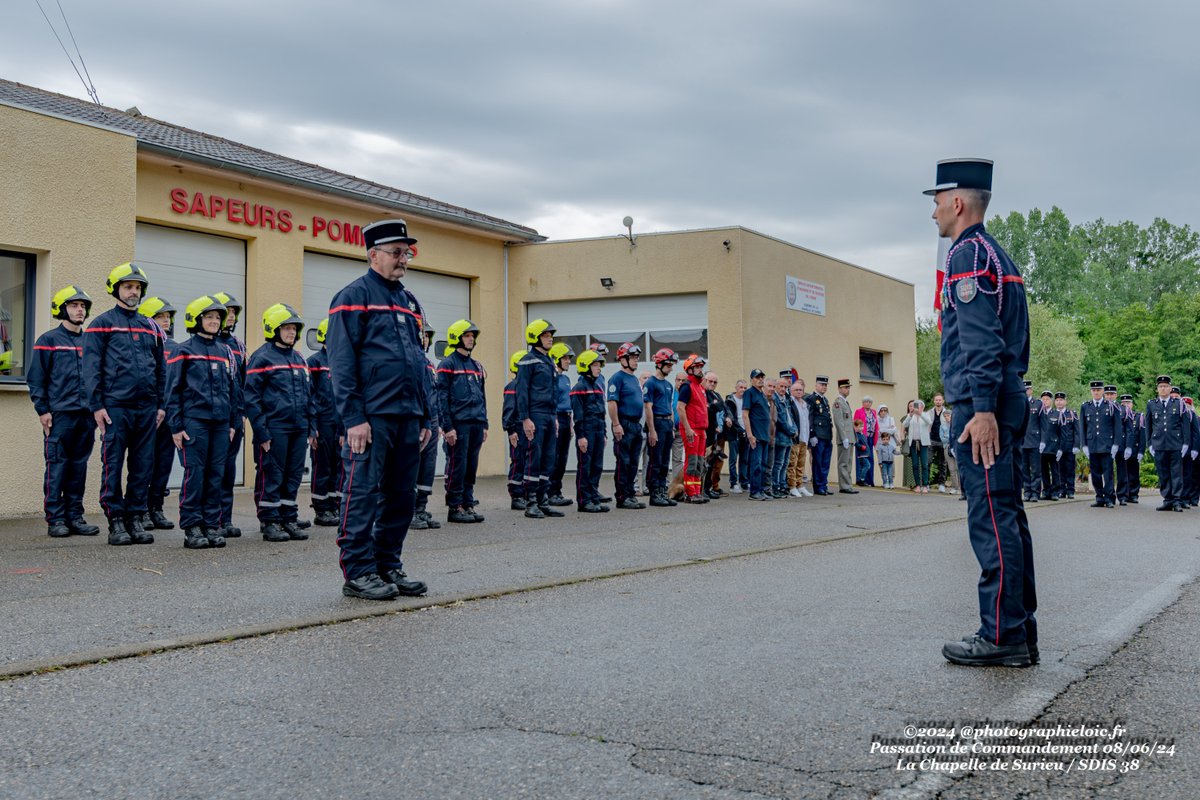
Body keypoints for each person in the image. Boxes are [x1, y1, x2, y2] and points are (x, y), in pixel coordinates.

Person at [928, 157, 1037, 668]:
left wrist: (983, 409)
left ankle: (1001, 634)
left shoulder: (967, 254)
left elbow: (978, 338)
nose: (932, 213)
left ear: (957, 202)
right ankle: (1018, 627)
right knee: (1008, 517)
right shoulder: (999, 254)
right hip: (1004, 395)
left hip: (982, 405)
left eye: (936, 202)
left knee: (991, 519)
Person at [327, 219, 432, 600]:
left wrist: (425, 415)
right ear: (373, 255)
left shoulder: (408, 301)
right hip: (371, 418)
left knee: (401, 496)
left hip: (407, 416)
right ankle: (358, 572)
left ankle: (388, 564)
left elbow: (418, 361)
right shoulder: (351, 296)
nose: (403, 259)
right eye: (396, 253)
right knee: (363, 493)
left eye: (407, 253)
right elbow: (341, 363)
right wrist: (353, 418)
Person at [84, 262, 165, 545]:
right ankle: (116, 521)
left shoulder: (150, 326)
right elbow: (91, 368)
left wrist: (161, 404)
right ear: (116, 289)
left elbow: (160, 368)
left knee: (143, 466)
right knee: (113, 464)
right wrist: (97, 405)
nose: (134, 292)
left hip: (146, 408)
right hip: (115, 407)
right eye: (128, 286)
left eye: (137, 287)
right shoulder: (101, 324)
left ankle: (135, 518)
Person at [165, 296, 240, 549]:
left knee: (216, 474)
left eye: (217, 318)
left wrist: (231, 423)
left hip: (220, 425)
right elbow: (172, 391)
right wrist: (176, 426)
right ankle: (192, 527)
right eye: (209, 317)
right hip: (194, 423)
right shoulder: (183, 350)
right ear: (197, 319)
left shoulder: (224, 351)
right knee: (195, 475)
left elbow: (232, 389)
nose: (214, 321)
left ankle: (211, 524)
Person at [28, 286, 100, 538]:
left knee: (78, 468)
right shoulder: (48, 340)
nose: (80, 309)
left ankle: (75, 516)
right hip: (59, 416)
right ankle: (56, 519)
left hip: (86, 416)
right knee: (57, 466)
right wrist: (43, 410)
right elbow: (36, 379)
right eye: (73, 305)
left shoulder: (90, 340)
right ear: (62, 309)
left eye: (82, 305)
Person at [244, 304, 315, 542]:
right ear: (274, 329)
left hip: (298, 428)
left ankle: (287, 518)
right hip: (274, 429)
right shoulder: (261, 357)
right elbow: (251, 398)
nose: (292, 333)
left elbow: (309, 396)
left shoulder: (299, 358)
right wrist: (262, 432)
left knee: (293, 475)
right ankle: (270, 521)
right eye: (286, 328)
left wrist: (311, 427)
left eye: (294, 328)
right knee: (271, 474)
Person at [438, 319, 489, 523]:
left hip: (476, 423)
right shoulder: (447, 365)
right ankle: (455, 506)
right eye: (467, 335)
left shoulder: (477, 366)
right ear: (457, 337)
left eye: (472, 336)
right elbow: (441, 398)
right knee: (457, 465)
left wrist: (485, 424)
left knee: (471, 465)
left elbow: (482, 396)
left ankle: (468, 503)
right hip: (458, 425)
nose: (471, 339)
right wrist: (447, 426)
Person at [518, 319, 566, 518]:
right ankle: (530, 502)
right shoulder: (528, 361)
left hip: (548, 415)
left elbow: (553, 392)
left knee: (549, 458)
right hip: (535, 415)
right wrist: (525, 419)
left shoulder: (549, 362)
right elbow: (521, 392)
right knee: (533, 457)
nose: (550, 338)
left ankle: (543, 500)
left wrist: (554, 416)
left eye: (550, 335)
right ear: (535, 337)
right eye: (546, 335)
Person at [139, 296, 178, 531]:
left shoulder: (176, 348)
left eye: (167, 317)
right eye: (160, 317)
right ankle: (140, 509)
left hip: (169, 414)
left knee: (164, 463)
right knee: (144, 462)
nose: (166, 321)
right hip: (148, 413)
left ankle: (156, 508)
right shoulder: (144, 345)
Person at [212, 291, 248, 539]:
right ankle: (211, 518)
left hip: (234, 416)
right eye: (228, 312)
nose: (231, 317)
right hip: (215, 417)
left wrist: (241, 414)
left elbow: (243, 383)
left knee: (228, 470)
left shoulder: (238, 345)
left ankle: (226, 518)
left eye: (234, 312)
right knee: (213, 469)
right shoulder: (210, 344)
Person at [306, 318, 343, 527]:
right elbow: (309, 396)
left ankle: (335, 505)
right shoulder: (314, 363)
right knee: (322, 467)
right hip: (322, 424)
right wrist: (313, 427)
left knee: (339, 467)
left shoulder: (343, 363)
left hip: (340, 425)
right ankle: (321, 509)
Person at [607, 341, 646, 510]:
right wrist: (616, 424)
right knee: (624, 461)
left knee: (633, 462)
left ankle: (630, 494)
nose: (636, 360)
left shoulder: (634, 380)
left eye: (637, 357)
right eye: (632, 357)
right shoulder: (617, 378)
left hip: (636, 425)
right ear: (623, 360)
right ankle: (622, 497)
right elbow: (612, 403)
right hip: (624, 423)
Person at [571, 349, 609, 512]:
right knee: (585, 467)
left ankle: (594, 497)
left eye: (599, 365)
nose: (598, 368)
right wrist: (581, 436)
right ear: (586, 366)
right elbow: (578, 415)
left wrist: (605, 433)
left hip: (599, 430)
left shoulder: (599, 386)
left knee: (597, 466)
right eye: (595, 365)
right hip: (587, 431)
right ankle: (584, 500)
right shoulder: (579, 388)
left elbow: (602, 411)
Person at [1146, 375, 1189, 512]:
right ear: (1157, 389)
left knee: (1176, 473)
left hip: (1175, 444)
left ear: (1170, 388)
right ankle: (1167, 500)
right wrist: (1149, 444)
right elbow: (1148, 425)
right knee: (1163, 473)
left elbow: (1185, 425)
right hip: (1159, 444)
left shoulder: (1179, 403)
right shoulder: (1151, 404)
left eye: (1165, 386)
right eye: (1160, 386)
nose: (1163, 388)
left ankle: (1176, 500)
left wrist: (1186, 443)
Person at [543, 342, 576, 509]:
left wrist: (570, 424)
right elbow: (550, 400)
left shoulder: (566, 378)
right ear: (556, 359)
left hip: (566, 418)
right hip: (555, 419)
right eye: (565, 358)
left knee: (562, 458)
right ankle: (549, 493)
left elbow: (568, 402)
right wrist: (554, 419)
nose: (568, 361)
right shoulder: (551, 377)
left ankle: (557, 491)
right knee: (553, 458)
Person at [644, 348, 678, 507]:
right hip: (656, 422)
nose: (671, 369)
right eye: (669, 365)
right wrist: (651, 430)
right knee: (655, 460)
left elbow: (670, 406)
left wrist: (671, 425)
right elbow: (648, 407)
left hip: (667, 424)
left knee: (665, 461)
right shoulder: (650, 383)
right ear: (660, 364)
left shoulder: (669, 385)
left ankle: (663, 491)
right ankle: (654, 493)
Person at [674, 354, 710, 504]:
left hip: (700, 430)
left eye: (701, 367)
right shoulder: (687, 387)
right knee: (692, 461)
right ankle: (690, 493)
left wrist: (704, 430)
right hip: (691, 429)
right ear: (690, 370)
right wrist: (688, 429)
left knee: (700, 462)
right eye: (697, 367)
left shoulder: (700, 387)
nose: (701, 370)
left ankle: (696, 491)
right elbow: (680, 408)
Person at [1078, 379, 1119, 508]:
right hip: (1092, 445)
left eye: (1098, 390)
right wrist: (1084, 444)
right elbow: (1082, 427)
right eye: (1094, 390)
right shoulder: (1085, 406)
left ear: (1103, 391)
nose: (1096, 392)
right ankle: (1099, 497)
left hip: (1107, 444)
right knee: (1095, 474)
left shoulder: (1111, 406)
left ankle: (1109, 498)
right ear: (1091, 391)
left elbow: (1117, 426)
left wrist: (1116, 444)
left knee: (1108, 474)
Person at [502, 350, 528, 510]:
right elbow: (508, 410)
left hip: (526, 429)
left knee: (527, 462)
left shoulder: (526, 386)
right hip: (517, 429)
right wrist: (511, 430)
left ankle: (525, 493)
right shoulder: (513, 386)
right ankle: (516, 496)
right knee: (518, 462)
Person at [742, 369, 772, 500]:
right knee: (756, 464)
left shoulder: (762, 394)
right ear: (751, 379)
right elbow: (745, 415)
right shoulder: (749, 393)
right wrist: (750, 435)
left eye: (761, 377)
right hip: (756, 436)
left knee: (764, 465)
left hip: (764, 435)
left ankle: (761, 490)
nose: (760, 379)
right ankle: (754, 492)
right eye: (757, 377)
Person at [805, 376, 834, 495]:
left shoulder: (825, 400)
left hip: (827, 435)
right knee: (818, 462)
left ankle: (823, 484)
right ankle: (818, 487)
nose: (824, 387)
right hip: (818, 435)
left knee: (825, 462)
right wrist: (812, 434)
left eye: (825, 385)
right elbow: (810, 417)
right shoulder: (812, 399)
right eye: (822, 384)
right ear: (816, 385)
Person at [703, 372, 730, 497]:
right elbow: (707, 409)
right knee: (705, 462)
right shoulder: (702, 393)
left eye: (715, 382)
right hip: (706, 433)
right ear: (704, 380)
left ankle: (709, 488)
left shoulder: (716, 395)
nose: (712, 384)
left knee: (714, 462)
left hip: (717, 434)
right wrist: (714, 405)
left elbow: (724, 408)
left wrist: (729, 417)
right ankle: (702, 489)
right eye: (710, 381)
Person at [772, 371, 797, 498]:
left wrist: (795, 428)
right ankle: (775, 485)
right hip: (781, 436)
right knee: (778, 462)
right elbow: (780, 420)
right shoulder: (775, 399)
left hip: (789, 437)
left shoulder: (785, 399)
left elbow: (790, 416)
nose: (783, 389)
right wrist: (791, 431)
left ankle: (782, 484)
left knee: (786, 462)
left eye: (785, 387)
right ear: (776, 386)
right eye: (781, 386)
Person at [1036, 390, 1062, 500]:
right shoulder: (1038, 413)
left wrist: (1061, 448)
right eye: (1043, 399)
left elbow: (1062, 433)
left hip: (1053, 447)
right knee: (1044, 471)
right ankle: (1046, 491)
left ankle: (1055, 492)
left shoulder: (1057, 414)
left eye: (1047, 399)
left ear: (1051, 401)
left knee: (1055, 471)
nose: (1045, 401)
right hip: (1041, 447)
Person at [903, 399, 933, 493]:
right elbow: (904, 424)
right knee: (915, 464)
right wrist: (910, 415)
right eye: (915, 406)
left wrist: (920, 413)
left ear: (922, 407)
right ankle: (917, 485)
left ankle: (925, 485)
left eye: (918, 406)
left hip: (923, 443)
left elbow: (929, 422)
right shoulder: (910, 416)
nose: (916, 408)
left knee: (924, 464)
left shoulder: (925, 414)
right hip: (913, 443)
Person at [1115, 394, 1141, 504]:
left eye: (1128, 403)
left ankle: (1132, 494)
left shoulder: (1138, 416)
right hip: (1119, 445)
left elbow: (1140, 435)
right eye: (1124, 403)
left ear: (1132, 404)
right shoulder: (1119, 413)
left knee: (1132, 472)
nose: (1126, 405)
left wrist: (1140, 450)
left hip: (1132, 447)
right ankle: (1123, 494)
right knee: (1122, 472)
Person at [788, 379, 811, 497]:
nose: (799, 392)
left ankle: (800, 484)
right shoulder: (791, 403)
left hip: (804, 437)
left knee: (801, 463)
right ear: (791, 391)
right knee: (793, 462)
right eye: (796, 390)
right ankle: (792, 486)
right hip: (795, 438)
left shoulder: (805, 404)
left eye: (800, 390)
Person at [725, 379, 749, 493]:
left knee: (744, 460)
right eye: (741, 387)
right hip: (734, 434)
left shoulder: (747, 401)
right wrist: (740, 430)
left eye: (745, 388)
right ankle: (733, 483)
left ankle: (744, 482)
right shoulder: (730, 400)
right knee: (733, 459)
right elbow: (730, 416)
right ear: (736, 388)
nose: (743, 390)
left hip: (746, 434)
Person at [1020, 380, 1041, 502]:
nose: (1026, 391)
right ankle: (1027, 492)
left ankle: (1035, 493)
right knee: (1024, 469)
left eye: (1027, 389)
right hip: (1022, 441)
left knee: (1036, 469)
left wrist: (1042, 441)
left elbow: (1043, 424)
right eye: (1024, 390)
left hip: (1035, 441)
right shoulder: (1017, 404)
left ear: (1031, 390)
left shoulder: (1038, 404)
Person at [853, 396, 880, 487]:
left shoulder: (874, 412)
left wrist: (876, 440)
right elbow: (855, 425)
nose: (868, 403)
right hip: (862, 438)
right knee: (861, 460)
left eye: (869, 402)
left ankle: (869, 481)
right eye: (866, 402)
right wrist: (857, 438)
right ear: (863, 403)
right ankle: (860, 479)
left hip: (871, 438)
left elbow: (876, 426)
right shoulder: (859, 411)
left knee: (870, 459)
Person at [1057, 393, 1079, 500]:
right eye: (1057, 400)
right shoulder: (1053, 414)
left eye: (1061, 400)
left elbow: (1076, 431)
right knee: (1059, 469)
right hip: (1057, 448)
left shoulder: (1071, 413)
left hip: (1070, 446)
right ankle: (1061, 490)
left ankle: (1070, 490)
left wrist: (1076, 445)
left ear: (1066, 401)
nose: (1059, 402)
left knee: (1070, 469)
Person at [927, 393, 947, 491]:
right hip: (932, 440)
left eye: (940, 400)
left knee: (942, 463)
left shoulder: (947, 412)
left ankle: (941, 484)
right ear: (934, 401)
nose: (938, 401)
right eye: (936, 400)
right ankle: (927, 483)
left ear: (943, 401)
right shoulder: (929, 412)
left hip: (943, 441)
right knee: (928, 461)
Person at [939, 408, 960, 495]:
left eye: (948, 416)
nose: (947, 417)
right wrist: (950, 437)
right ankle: (955, 487)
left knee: (959, 468)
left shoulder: (957, 424)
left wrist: (948, 436)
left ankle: (963, 488)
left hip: (957, 447)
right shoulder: (942, 426)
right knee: (951, 469)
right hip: (947, 447)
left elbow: (958, 436)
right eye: (945, 416)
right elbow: (942, 438)